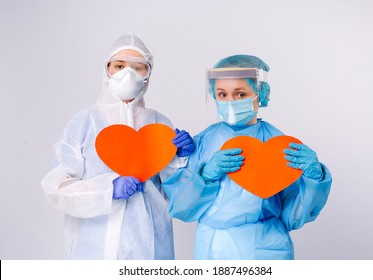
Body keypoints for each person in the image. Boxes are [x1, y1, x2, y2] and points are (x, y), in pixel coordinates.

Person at [162, 54, 332, 260]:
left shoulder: (278, 144)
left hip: (264, 248)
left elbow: (294, 215)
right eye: (222, 94)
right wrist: (204, 177)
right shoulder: (203, 141)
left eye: (240, 94)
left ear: (260, 93)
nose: (230, 101)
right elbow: (180, 207)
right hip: (211, 248)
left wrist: (315, 179)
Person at [41, 33, 195, 259]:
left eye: (138, 67)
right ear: (107, 71)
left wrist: (182, 159)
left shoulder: (160, 124)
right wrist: (108, 188)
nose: (128, 74)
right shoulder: (86, 122)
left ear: (148, 74)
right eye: (119, 65)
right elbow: (55, 187)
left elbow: (178, 193)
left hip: (150, 246)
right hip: (94, 248)